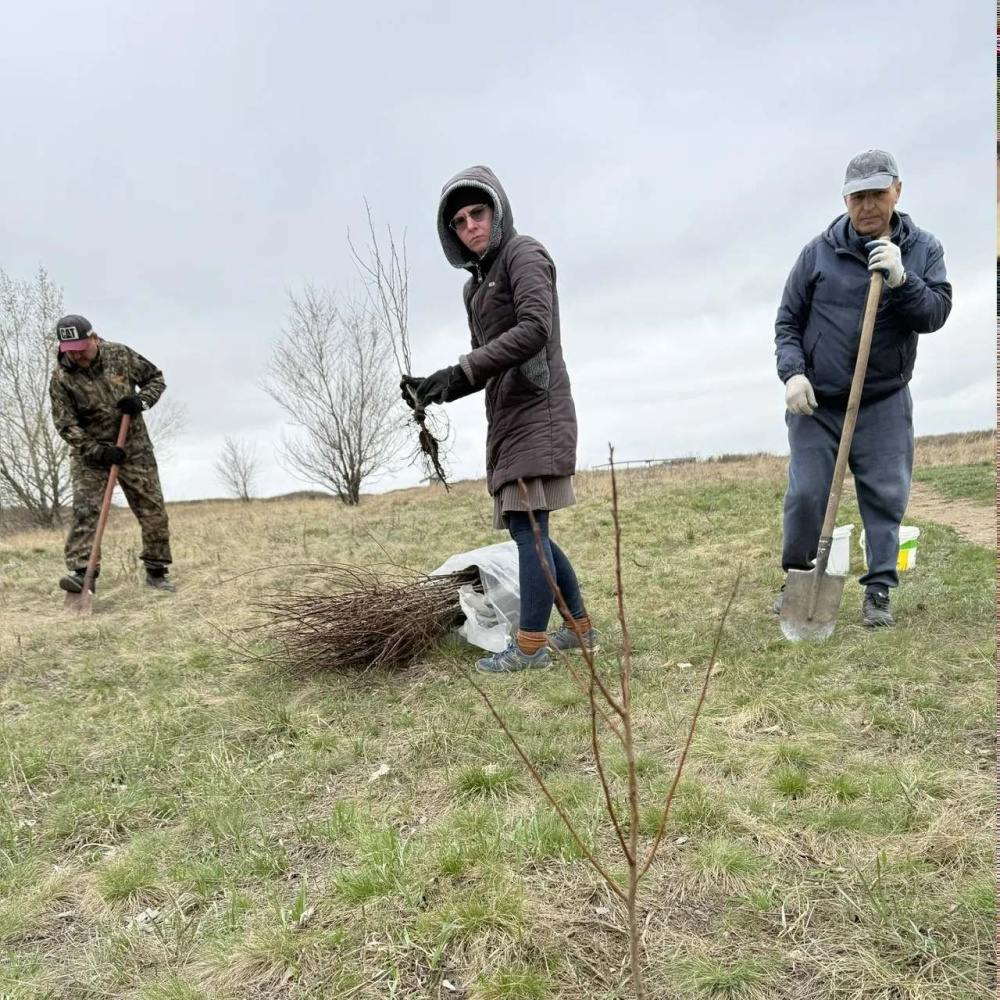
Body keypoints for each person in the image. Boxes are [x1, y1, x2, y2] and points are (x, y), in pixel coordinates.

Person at [402, 165, 596, 673]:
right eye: (460, 221)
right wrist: (438, 386)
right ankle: (579, 629)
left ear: (498, 210)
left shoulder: (524, 254)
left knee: (530, 528)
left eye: (478, 213)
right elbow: (485, 359)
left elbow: (535, 328)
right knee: (528, 529)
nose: (470, 226)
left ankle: (530, 647)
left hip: (540, 406)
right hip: (507, 414)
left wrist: (462, 367)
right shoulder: (475, 289)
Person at [774, 150, 952, 627]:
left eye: (877, 193)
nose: (867, 205)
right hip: (818, 402)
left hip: (883, 398)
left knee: (885, 495)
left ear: (897, 190)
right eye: (858, 196)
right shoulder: (818, 252)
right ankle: (798, 575)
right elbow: (788, 320)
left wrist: (903, 279)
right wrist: (792, 374)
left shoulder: (922, 248)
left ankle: (878, 590)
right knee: (807, 494)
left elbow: (935, 313)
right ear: (845, 200)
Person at [49, 314, 175, 594]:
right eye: (71, 351)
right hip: (91, 455)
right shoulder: (61, 378)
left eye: (82, 348)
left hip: (134, 448)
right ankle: (83, 574)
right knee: (85, 512)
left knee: (152, 510)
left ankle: (157, 571)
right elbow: (65, 423)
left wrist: (141, 401)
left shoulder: (120, 355)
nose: (78, 356)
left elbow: (156, 378)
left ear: (94, 338)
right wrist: (97, 452)